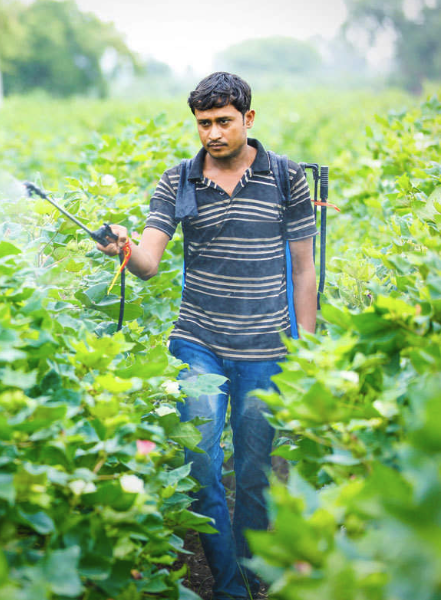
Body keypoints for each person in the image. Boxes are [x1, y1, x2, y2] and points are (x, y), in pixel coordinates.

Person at [97, 72, 317, 599]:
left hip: (267, 345)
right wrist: (123, 248)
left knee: (256, 472)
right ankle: (232, 586)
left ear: (248, 118)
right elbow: (149, 262)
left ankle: (248, 572)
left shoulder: (286, 178)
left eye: (223, 121)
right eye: (203, 123)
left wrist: (305, 347)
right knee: (199, 464)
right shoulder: (178, 181)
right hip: (198, 339)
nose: (213, 133)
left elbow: (304, 270)